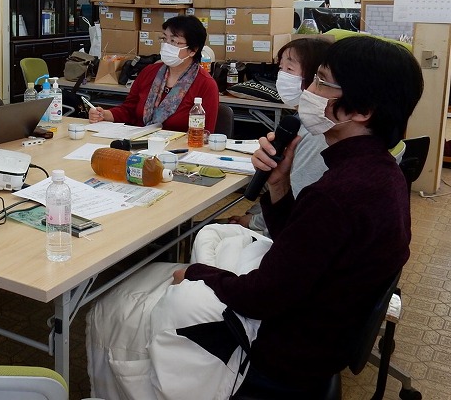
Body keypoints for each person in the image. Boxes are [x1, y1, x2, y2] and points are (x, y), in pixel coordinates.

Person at [87, 36, 423, 398]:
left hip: (284, 353)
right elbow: (302, 245)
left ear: (362, 110)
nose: (309, 91)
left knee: (115, 306)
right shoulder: (378, 172)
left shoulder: (340, 192)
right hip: (318, 331)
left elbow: (264, 296)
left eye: (322, 82)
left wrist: (198, 273)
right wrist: (279, 186)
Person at [229, 37, 332, 235]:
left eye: (290, 69)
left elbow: (298, 200)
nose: (282, 76)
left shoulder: (315, 132)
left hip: (286, 232)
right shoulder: (299, 120)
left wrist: (252, 222)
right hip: (275, 219)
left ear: (317, 77)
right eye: (280, 68)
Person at [88, 15, 219, 132]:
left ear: (193, 50)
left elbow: (205, 134)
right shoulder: (149, 72)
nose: (167, 45)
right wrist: (104, 114)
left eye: (174, 41)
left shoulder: (205, 85)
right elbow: (129, 110)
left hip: (179, 148)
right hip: (139, 142)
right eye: (164, 39)